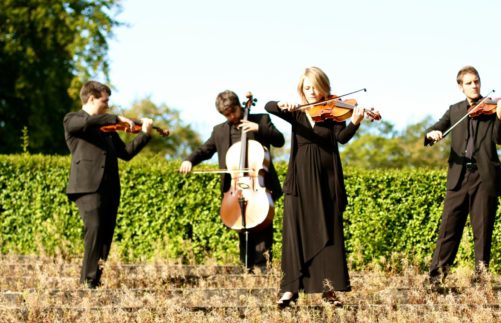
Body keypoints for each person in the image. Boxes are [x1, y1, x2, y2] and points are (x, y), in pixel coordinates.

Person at [265, 66, 365, 308]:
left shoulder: (332, 114)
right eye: (306, 87)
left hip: (326, 181)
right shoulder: (297, 114)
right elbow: (268, 106)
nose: (311, 92)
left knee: (329, 234)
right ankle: (289, 291)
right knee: (294, 235)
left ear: (323, 89)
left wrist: (356, 122)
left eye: (315, 87)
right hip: (299, 181)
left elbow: (342, 138)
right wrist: (283, 104)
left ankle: (329, 292)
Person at [179, 90, 285, 273]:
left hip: (260, 187)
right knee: (241, 227)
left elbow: (280, 140)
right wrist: (189, 160)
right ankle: (246, 269)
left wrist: (258, 128)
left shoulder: (261, 120)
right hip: (236, 190)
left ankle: (263, 270)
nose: (232, 117)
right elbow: (205, 150)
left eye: (233, 112)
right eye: (226, 115)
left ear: (240, 105)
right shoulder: (219, 131)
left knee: (262, 228)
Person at [424, 65, 501, 287]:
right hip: (458, 177)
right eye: (469, 83)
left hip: (483, 177)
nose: (474, 86)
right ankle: (435, 279)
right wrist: (431, 134)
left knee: (482, 231)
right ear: (460, 87)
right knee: (448, 229)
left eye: (477, 81)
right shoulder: (454, 110)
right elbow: (436, 129)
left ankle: (481, 282)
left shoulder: (491, 108)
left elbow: (500, 139)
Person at [64, 80, 155, 288]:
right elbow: (86, 123)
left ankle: (95, 281)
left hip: (110, 187)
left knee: (105, 234)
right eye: (105, 101)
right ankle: (86, 283)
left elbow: (125, 154)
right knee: (95, 227)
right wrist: (116, 117)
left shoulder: (108, 128)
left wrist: (145, 134)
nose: (107, 105)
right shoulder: (73, 119)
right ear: (92, 98)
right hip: (86, 187)